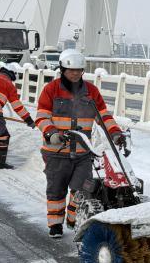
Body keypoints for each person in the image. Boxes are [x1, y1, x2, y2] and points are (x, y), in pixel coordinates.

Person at [35, 49, 125, 238]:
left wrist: (115, 133)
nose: (75, 74)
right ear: (62, 70)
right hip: (56, 151)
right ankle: (55, 225)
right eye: (71, 70)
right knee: (56, 191)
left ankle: (73, 219)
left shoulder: (91, 91)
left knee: (83, 189)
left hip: (83, 152)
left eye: (79, 70)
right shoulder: (51, 89)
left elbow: (103, 116)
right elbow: (42, 116)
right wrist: (51, 133)